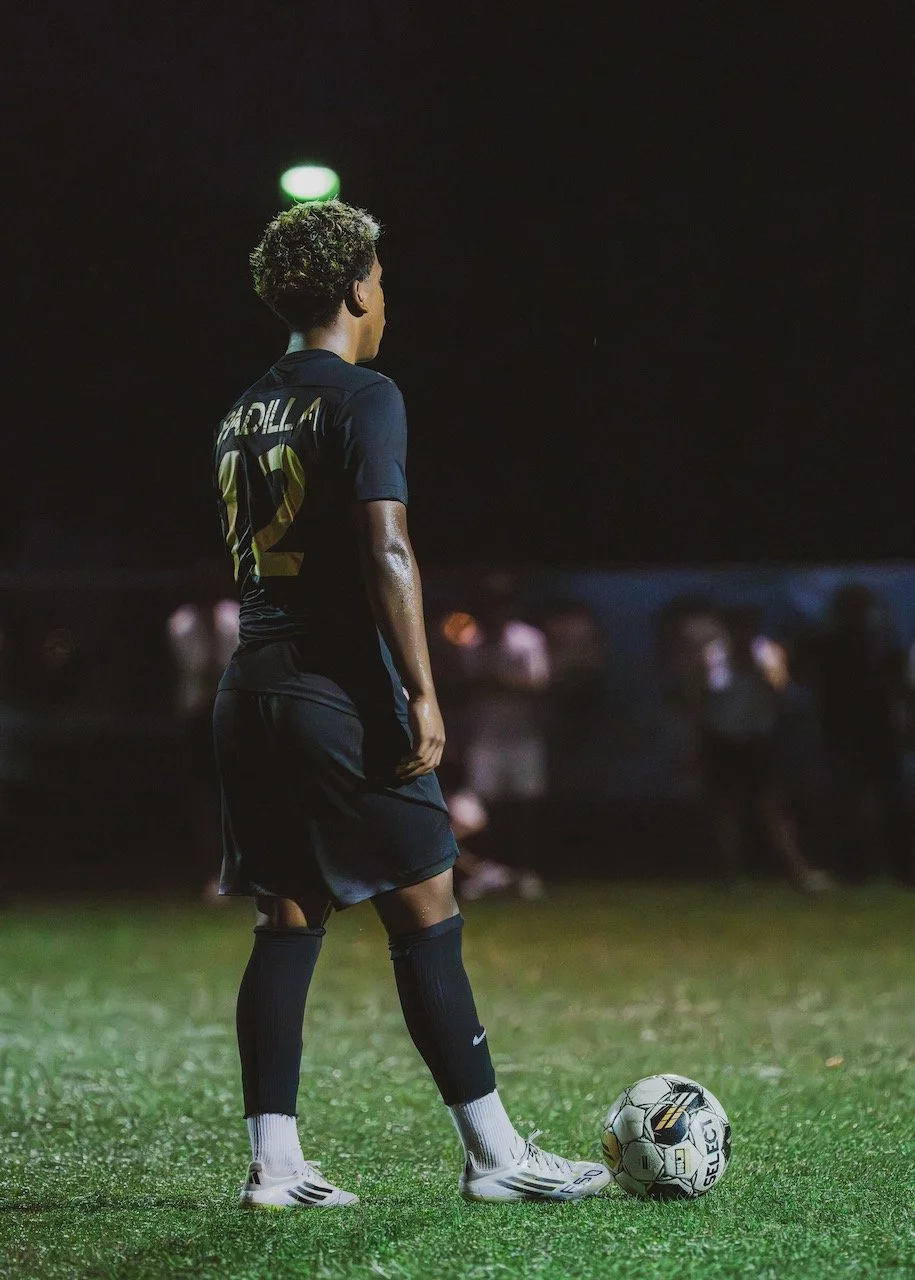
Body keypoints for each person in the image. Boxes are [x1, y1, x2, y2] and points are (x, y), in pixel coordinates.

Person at [211, 200, 608, 1209]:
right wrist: (422, 688)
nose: (385, 298)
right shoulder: (366, 393)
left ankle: (274, 1164)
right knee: (426, 901)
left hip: (249, 686)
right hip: (335, 690)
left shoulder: (241, 409)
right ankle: (495, 1155)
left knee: (287, 916)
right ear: (356, 289)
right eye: (380, 280)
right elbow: (384, 544)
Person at [695, 606, 832, 891]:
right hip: (722, 739)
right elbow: (706, 691)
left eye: (747, 627)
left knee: (773, 808)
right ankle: (728, 874)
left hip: (757, 740)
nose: (742, 635)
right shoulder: (714, 654)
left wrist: (758, 670)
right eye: (736, 628)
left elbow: (781, 688)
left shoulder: (767, 652)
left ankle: (798, 872)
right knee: (726, 810)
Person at [796, 584, 913, 885]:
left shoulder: (861, 643)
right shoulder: (869, 643)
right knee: (865, 803)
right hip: (856, 733)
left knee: (867, 803)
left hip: (859, 733)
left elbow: (897, 686)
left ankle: (869, 867)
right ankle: (887, 867)